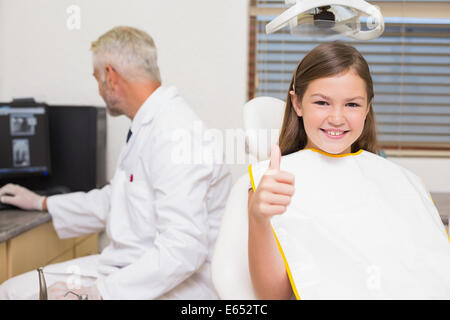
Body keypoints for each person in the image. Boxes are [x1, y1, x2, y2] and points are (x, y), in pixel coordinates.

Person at [0, 26, 232, 300]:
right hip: (132, 267)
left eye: (97, 78)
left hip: (175, 285)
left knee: (19, 294)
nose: (98, 89)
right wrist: (41, 202)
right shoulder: (148, 125)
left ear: (110, 76)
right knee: (13, 291)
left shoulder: (174, 132)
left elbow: (183, 249)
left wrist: (99, 293)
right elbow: (116, 201)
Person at [247, 42, 450, 300]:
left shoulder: (397, 181)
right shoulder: (273, 186)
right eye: (322, 102)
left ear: (367, 108)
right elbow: (272, 296)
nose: (337, 118)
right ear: (297, 104)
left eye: (352, 105)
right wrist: (259, 219)